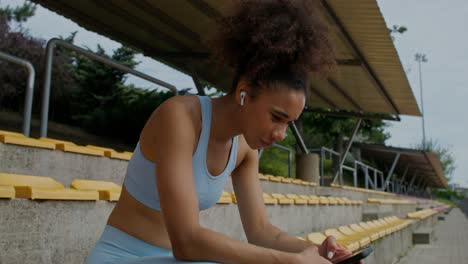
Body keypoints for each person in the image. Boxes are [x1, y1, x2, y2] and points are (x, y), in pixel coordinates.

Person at [86, 0, 358, 263]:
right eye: (277, 117)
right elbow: (187, 241)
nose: (280, 134)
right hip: (122, 257)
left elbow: (262, 231)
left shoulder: (246, 150)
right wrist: (288, 262)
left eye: (289, 123)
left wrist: (318, 252)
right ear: (243, 93)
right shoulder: (179, 117)